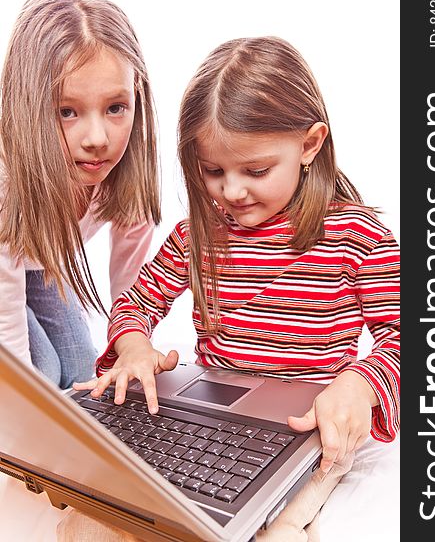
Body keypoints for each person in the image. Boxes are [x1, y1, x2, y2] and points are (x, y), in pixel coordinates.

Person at [67, 36, 400, 541]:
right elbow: (135, 302)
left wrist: (360, 383)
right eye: (213, 171)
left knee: (274, 529)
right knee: (93, 517)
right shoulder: (196, 236)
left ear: (309, 145)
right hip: (212, 423)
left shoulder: (357, 236)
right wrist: (133, 346)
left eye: (256, 170)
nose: (233, 190)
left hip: (304, 429)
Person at [0, 0, 161, 390]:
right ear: (28, 105)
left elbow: (131, 284)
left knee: (80, 371)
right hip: (5, 272)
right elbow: (6, 308)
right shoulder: (7, 179)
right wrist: (25, 403)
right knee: (42, 379)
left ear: (135, 93)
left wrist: (132, 348)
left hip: (37, 264)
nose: (97, 138)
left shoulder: (127, 169)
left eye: (115, 108)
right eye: (67, 111)